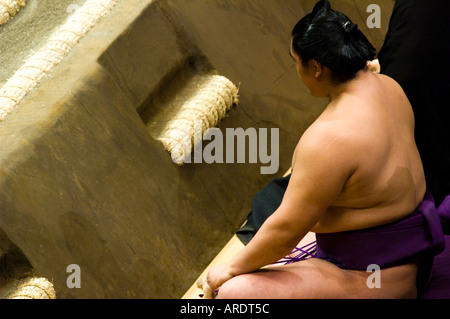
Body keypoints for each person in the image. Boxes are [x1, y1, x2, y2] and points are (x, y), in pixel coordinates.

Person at [202, 0, 447, 299]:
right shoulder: (390, 87)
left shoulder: (328, 138)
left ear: (316, 68)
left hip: (373, 278)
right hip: (413, 261)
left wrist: (228, 269)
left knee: (234, 294)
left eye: (296, 62)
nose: (296, 70)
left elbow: (287, 229)